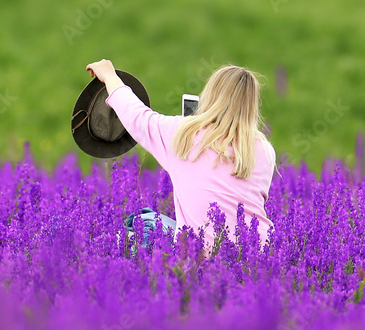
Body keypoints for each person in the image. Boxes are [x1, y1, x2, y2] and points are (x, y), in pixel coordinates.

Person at [84, 59, 276, 252]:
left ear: (211, 96)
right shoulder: (265, 150)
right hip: (258, 257)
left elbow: (137, 116)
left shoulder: (183, 135)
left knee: (139, 226)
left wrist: (109, 75)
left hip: (200, 257)